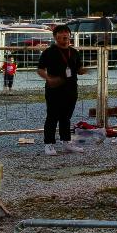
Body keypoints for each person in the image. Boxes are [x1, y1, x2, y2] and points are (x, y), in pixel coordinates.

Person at [37, 25, 86, 156]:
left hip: (71, 89)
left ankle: (66, 142)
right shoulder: (49, 52)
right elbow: (40, 69)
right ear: (55, 37)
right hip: (54, 89)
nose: (65, 35)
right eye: (61, 33)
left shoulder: (74, 52)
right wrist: (48, 78)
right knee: (52, 117)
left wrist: (84, 70)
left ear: (70, 36)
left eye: (67, 33)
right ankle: (49, 144)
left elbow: (79, 69)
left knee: (66, 117)